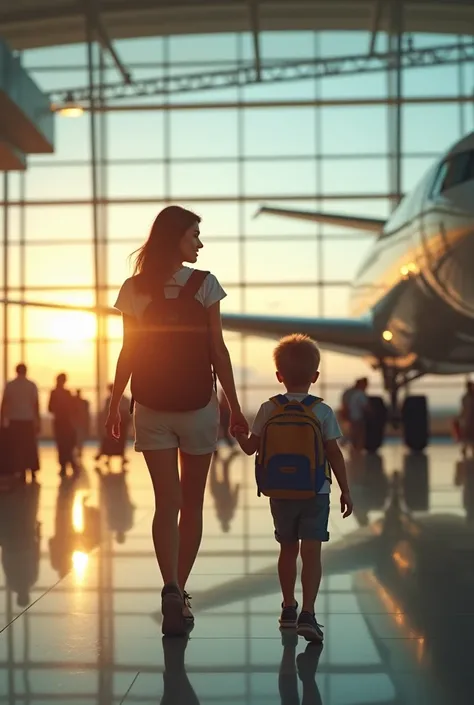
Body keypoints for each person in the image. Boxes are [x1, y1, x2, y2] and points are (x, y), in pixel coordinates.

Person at [106, 205, 248, 636]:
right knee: (192, 504)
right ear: (175, 239)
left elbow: (129, 352)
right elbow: (218, 351)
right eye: (194, 236)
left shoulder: (134, 289)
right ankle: (180, 590)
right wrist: (235, 409)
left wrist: (116, 403)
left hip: (149, 406)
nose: (200, 244)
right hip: (199, 406)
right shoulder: (205, 286)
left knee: (165, 503)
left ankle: (168, 585)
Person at [235, 334, 353, 642]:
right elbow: (333, 453)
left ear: (279, 376)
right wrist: (345, 489)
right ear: (315, 376)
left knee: (287, 549)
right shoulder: (322, 412)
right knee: (311, 552)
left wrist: (236, 433)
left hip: (280, 492)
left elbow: (250, 448)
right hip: (316, 491)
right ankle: (308, 614)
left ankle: (288, 607)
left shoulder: (268, 409)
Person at [0, 363, 40, 480]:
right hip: (28, 419)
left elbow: (4, 403)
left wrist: (2, 418)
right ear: (26, 371)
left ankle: (19, 468)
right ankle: (32, 469)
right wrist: (37, 421)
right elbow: (35, 404)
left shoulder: (10, 385)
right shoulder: (31, 385)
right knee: (30, 445)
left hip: (14, 419)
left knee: (16, 446)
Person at [48, 373, 77, 477]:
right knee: (68, 443)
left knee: (61, 444)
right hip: (67, 421)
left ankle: (63, 465)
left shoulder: (53, 393)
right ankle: (71, 462)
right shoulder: (67, 393)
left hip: (58, 421)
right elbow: (73, 408)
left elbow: (50, 408)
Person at [96, 384, 130, 465]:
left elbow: (105, 412)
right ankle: (117, 457)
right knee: (118, 441)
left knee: (111, 440)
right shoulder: (124, 399)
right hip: (121, 424)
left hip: (117, 424)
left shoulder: (109, 400)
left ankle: (109, 457)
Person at [347, 377, 369, 456]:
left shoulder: (354, 395)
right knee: (360, 434)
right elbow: (365, 406)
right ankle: (358, 450)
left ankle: (355, 449)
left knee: (354, 433)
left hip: (353, 416)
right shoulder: (361, 395)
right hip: (358, 417)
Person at [73, 389, 90, 458]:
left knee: (78, 439)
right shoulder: (84, 402)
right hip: (79, 423)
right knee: (79, 439)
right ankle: (79, 451)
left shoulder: (74, 403)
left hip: (77, 423)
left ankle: (78, 451)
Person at [460, 381, 474, 458]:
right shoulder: (466, 398)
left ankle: (468, 450)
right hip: (468, 420)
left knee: (470, 437)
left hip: (470, 420)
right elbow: (463, 409)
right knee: (467, 436)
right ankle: (464, 450)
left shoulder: (466, 397)